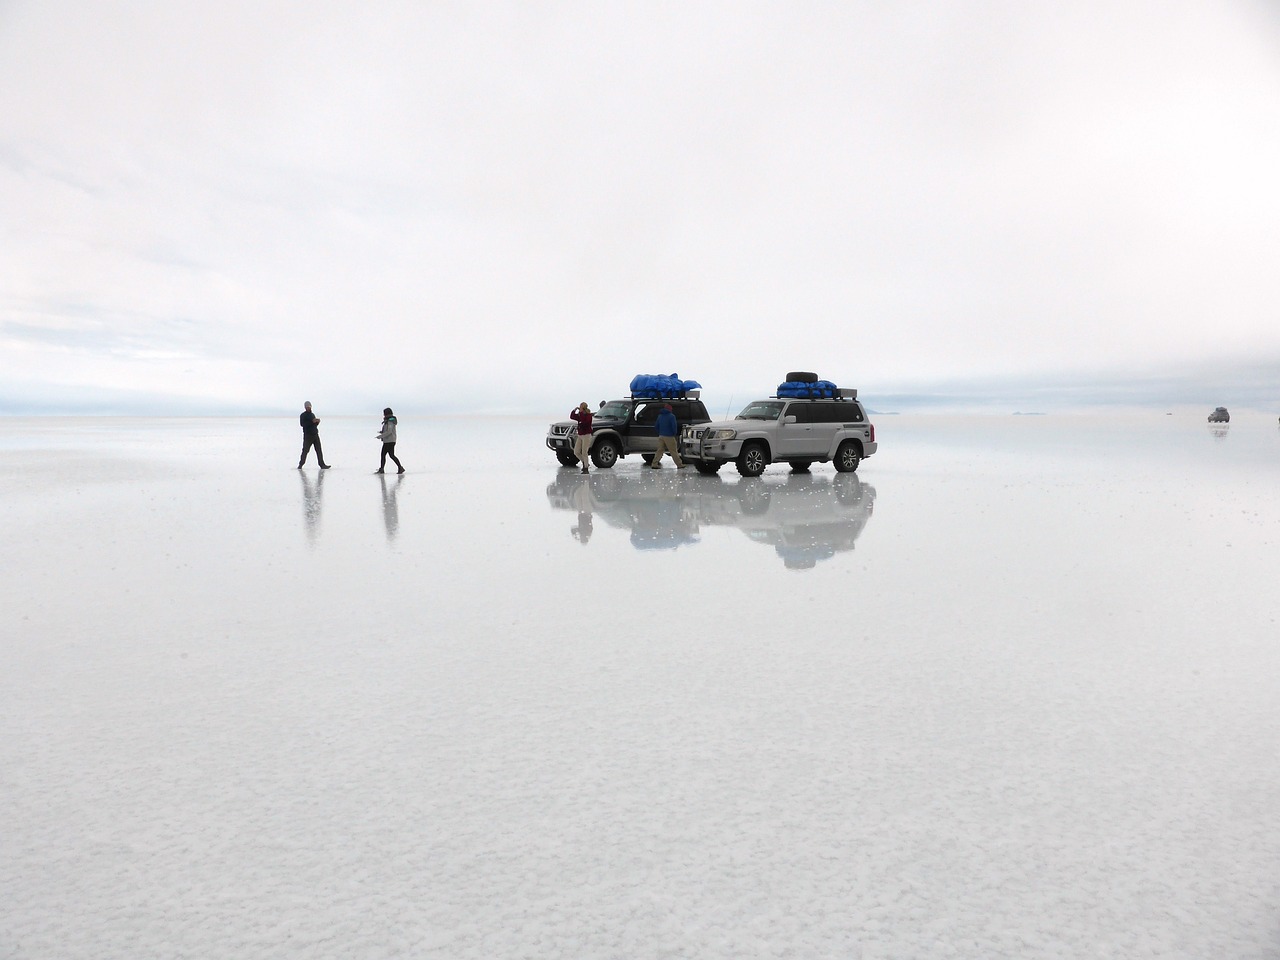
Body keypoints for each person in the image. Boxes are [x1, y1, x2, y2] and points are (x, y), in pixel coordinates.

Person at [650, 403, 685, 469]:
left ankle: (654, 464)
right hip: (669, 436)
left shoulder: (660, 416)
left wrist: (660, 432)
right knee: (673, 451)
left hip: (661, 436)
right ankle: (679, 464)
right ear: (670, 409)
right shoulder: (672, 416)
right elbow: (674, 426)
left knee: (659, 451)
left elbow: (656, 426)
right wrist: (674, 433)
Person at [298, 401, 331, 469]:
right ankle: (301, 464)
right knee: (305, 451)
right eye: (307, 407)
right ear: (305, 407)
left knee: (319, 450)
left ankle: (322, 465)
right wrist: (312, 422)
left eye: (309, 406)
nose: (308, 408)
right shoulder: (303, 415)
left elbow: (314, 425)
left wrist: (317, 422)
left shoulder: (312, 415)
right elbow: (302, 424)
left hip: (315, 435)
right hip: (308, 436)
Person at [375, 407, 404, 474]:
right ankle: (399, 468)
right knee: (389, 455)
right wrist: (382, 432)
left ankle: (399, 468)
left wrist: (381, 436)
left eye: (384, 413)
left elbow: (389, 431)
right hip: (389, 440)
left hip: (389, 441)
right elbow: (388, 430)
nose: (383, 415)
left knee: (387, 455)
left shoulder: (390, 421)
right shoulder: (388, 421)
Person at [569, 402, 593, 474]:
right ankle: (584, 462)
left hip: (586, 435)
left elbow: (585, 422)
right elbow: (572, 416)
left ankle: (585, 467)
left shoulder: (588, 415)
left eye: (581, 407)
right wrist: (574, 410)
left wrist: (581, 413)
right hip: (580, 435)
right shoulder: (580, 415)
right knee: (576, 451)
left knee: (584, 452)